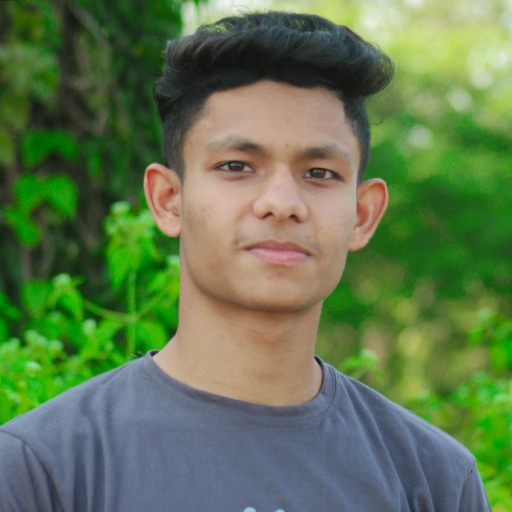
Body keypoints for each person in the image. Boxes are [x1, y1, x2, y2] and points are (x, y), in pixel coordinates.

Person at [0, 11, 490, 512]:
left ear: (363, 214)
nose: (282, 202)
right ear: (168, 200)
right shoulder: (42, 470)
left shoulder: (433, 479)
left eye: (320, 172)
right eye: (236, 166)